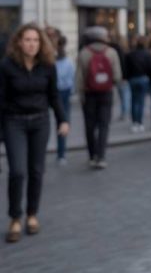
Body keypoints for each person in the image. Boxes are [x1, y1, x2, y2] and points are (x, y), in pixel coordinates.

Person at [0, 23, 69, 242]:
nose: (32, 44)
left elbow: (54, 95)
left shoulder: (48, 66)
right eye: (28, 40)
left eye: (36, 40)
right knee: (18, 171)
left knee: (37, 171)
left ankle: (31, 214)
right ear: (19, 42)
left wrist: (63, 119)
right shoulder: (7, 66)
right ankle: (14, 218)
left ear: (41, 44)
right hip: (14, 122)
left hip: (40, 122)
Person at [76, 26, 122, 169]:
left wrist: (81, 93)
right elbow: (117, 76)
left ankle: (92, 156)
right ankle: (101, 156)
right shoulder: (111, 52)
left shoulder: (83, 53)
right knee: (104, 125)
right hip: (106, 93)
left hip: (89, 94)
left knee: (89, 126)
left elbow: (79, 78)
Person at [54, 35, 76, 164]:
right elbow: (72, 80)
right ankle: (61, 154)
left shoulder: (53, 61)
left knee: (61, 122)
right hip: (65, 92)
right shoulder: (69, 62)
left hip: (58, 92)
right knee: (64, 121)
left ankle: (61, 153)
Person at [125, 36, 151, 132]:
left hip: (133, 79)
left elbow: (126, 68)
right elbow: (150, 67)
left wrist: (126, 78)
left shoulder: (130, 54)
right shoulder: (146, 54)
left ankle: (135, 122)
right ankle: (140, 122)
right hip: (143, 78)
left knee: (134, 101)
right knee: (141, 101)